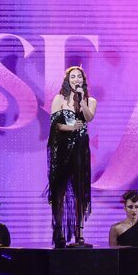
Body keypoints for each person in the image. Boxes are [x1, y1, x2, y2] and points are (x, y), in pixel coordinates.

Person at [46, 65, 97, 248]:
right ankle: (58, 229)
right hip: (62, 150)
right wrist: (71, 128)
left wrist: (81, 100)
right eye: (73, 76)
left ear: (83, 80)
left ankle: (79, 231)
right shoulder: (59, 99)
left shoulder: (90, 100)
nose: (76, 79)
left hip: (80, 151)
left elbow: (89, 117)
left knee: (79, 192)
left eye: (79, 77)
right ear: (67, 79)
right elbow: (54, 125)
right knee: (59, 191)